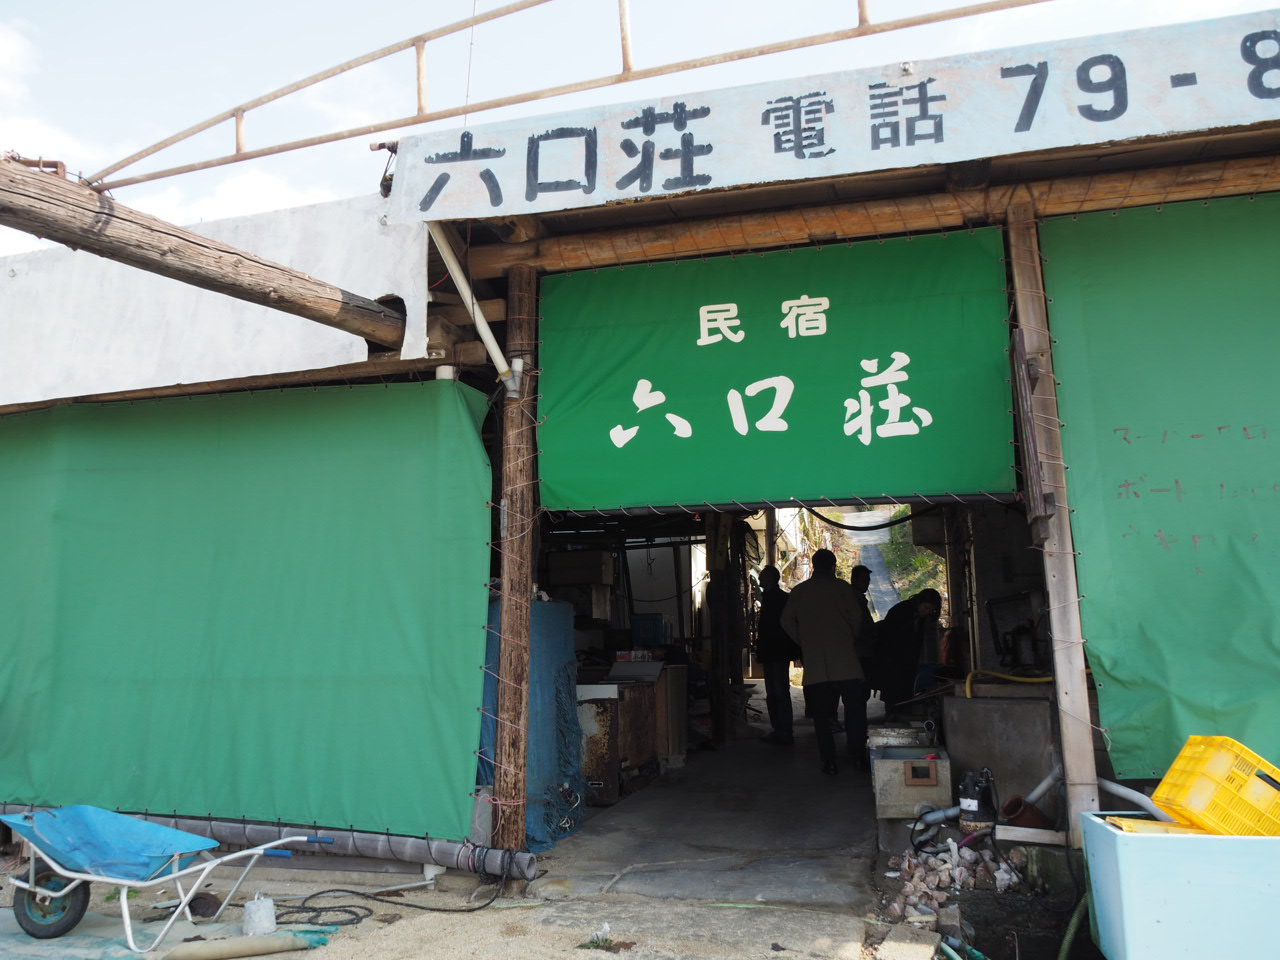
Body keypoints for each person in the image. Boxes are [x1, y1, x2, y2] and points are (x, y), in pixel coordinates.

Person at [781, 549, 867, 775]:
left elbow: (786, 621)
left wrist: (803, 641)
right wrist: (850, 638)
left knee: (822, 716)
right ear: (833, 566)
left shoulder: (800, 591)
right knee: (855, 712)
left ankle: (829, 761)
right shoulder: (843, 588)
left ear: (813, 565)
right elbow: (857, 618)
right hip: (846, 662)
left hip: (817, 664)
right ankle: (858, 756)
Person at [875, 588, 942, 711]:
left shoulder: (919, 617)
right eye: (926, 608)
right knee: (894, 699)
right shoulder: (900, 612)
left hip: (907, 665)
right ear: (919, 602)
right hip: (892, 663)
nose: (927, 612)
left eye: (931, 610)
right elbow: (889, 641)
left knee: (905, 699)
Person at [754, 565, 798, 745]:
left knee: (776, 692)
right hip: (779, 651)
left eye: (762, 576)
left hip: (774, 650)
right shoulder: (780, 597)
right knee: (778, 691)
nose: (759, 579)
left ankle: (782, 730)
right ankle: (782, 729)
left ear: (771, 579)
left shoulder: (774, 598)